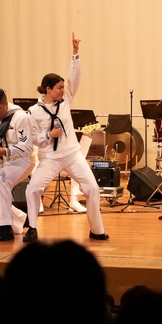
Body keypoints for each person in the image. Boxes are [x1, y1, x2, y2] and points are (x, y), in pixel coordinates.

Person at [25, 33, 109, 242]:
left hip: (72, 154)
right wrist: (48, 135)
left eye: (63, 87)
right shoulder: (33, 111)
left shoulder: (66, 101)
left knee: (92, 188)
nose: (63, 90)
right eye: (59, 88)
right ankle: (32, 228)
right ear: (48, 89)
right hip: (50, 157)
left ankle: (97, 230)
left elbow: (74, 78)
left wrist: (75, 53)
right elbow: (34, 139)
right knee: (33, 188)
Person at [0, 89, 35, 242]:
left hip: (23, 160)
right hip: (1, 161)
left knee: (0, 180)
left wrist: (5, 151)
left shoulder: (21, 117)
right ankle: (21, 220)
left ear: (6, 104)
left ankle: (4, 229)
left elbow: (27, 147)